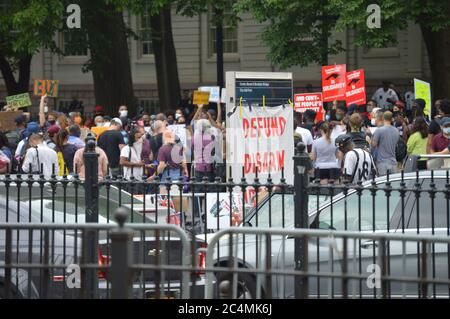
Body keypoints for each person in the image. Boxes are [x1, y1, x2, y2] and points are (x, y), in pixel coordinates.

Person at [371, 111, 400, 175]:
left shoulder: (379, 130)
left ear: (383, 118)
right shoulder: (396, 130)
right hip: (393, 161)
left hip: (382, 162)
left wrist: (369, 140)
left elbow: (374, 144)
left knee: (383, 182)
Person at [192, 119, 215, 186]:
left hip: (198, 166)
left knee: (199, 188)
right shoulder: (211, 137)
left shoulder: (194, 138)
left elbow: (193, 148)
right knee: (209, 188)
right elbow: (214, 151)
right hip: (208, 166)